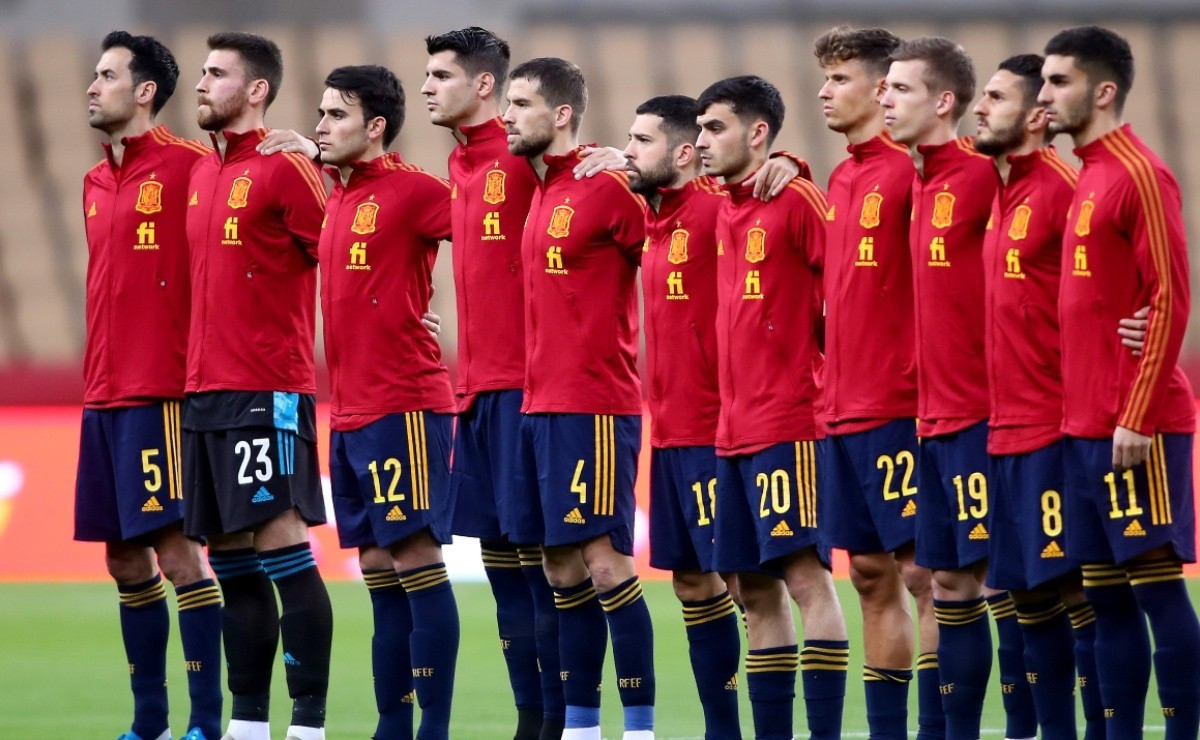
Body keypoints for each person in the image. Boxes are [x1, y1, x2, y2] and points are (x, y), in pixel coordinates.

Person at [1040, 25, 1200, 736]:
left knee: (1158, 592)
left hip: (1135, 427)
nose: (1045, 95)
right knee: (1104, 599)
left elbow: (1171, 296)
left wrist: (1136, 414)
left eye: (1059, 82)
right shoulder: (1088, 173)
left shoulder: (1139, 172)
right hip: (1082, 427)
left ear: (1103, 91)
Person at [880, 37, 1035, 738]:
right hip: (932, 419)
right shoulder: (921, 178)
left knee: (1003, 582)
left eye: (900, 89)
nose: (885, 99)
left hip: (984, 415)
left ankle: (1027, 726)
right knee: (945, 583)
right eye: (884, 87)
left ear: (944, 101)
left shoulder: (981, 173)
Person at [182, 31, 332, 740]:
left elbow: (347, 252)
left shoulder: (287, 167)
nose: (201, 83)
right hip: (204, 391)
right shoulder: (202, 172)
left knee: (282, 548)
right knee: (232, 564)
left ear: (257, 89)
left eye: (217, 73)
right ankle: (246, 726)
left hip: (265, 388)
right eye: (202, 72)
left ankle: (307, 724)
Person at [503, 56, 655, 740]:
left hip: (593, 404)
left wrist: (638, 170)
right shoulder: (544, 188)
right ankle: (582, 728)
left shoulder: (608, 184)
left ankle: (641, 727)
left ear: (561, 114)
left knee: (602, 561)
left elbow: (682, 233)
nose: (508, 116)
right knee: (559, 564)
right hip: (539, 406)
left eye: (521, 104)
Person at [420, 27, 564, 740]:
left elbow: (602, 178)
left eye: (440, 75)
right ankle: (529, 720)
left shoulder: (525, 153)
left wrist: (611, 158)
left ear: (484, 85)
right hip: (475, 392)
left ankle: (567, 721)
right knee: (503, 564)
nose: (426, 87)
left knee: (545, 568)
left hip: (527, 390)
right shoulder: (459, 163)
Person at [78, 30, 221, 740]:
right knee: (122, 558)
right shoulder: (94, 181)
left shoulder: (194, 166)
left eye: (106, 76)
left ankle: (207, 722)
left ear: (143, 91)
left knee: (177, 552)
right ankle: (150, 723)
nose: (90, 86)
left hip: (161, 392)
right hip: (101, 394)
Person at [697, 74, 849, 740]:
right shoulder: (723, 204)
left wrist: (796, 167)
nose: (703, 141)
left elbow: (850, 291)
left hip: (788, 423)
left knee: (806, 580)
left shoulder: (796, 198)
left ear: (757, 133)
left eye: (716, 127)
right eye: (699, 129)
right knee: (752, 590)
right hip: (731, 431)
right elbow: (655, 182)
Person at [315, 63, 460, 740]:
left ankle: (434, 728)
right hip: (348, 411)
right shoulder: (336, 195)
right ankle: (392, 726)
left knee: (415, 559)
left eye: (335, 115)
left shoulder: (414, 192)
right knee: (376, 565)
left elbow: (501, 238)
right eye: (320, 113)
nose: (321, 126)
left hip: (404, 404)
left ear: (375, 127)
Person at [811, 26, 942, 738]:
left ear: (883, 87)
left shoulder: (913, 172)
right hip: (842, 406)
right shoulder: (842, 177)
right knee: (867, 573)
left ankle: (939, 728)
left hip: (900, 404)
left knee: (925, 574)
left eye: (840, 79)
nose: (825, 92)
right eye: (825, 78)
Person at [973, 53, 1100, 739]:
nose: (979, 108)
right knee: (1023, 596)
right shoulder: (1002, 188)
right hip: (1004, 430)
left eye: (995, 98)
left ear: (1036, 114)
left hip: (1054, 427)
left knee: (1075, 592)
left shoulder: (1061, 188)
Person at [624, 93, 741, 737]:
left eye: (642, 140)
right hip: (668, 431)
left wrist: (793, 164)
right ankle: (721, 727)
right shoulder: (651, 218)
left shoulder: (718, 209)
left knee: (750, 583)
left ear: (685, 152)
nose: (629, 150)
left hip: (718, 430)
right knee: (692, 583)